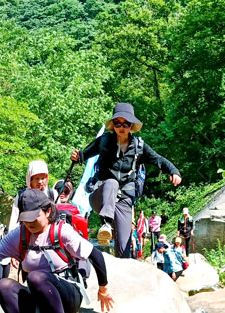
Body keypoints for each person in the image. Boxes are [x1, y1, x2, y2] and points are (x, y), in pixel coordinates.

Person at [71, 103, 182, 258]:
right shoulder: (103, 141)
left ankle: (120, 271)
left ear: (131, 125)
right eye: (117, 123)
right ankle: (106, 225)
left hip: (123, 199)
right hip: (101, 195)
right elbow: (83, 155)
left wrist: (173, 171)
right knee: (112, 182)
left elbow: (158, 159)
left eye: (126, 124)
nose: (121, 127)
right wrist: (77, 157)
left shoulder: (139, 146)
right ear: (113, 125)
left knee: (124, 248)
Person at [8, 160, 58, 232]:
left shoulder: (52, 193)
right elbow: (14, 219)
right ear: (30, 179)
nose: (40, 182)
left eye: (42, 178)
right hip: (26, 234)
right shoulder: (22, 196)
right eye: (37, 178)